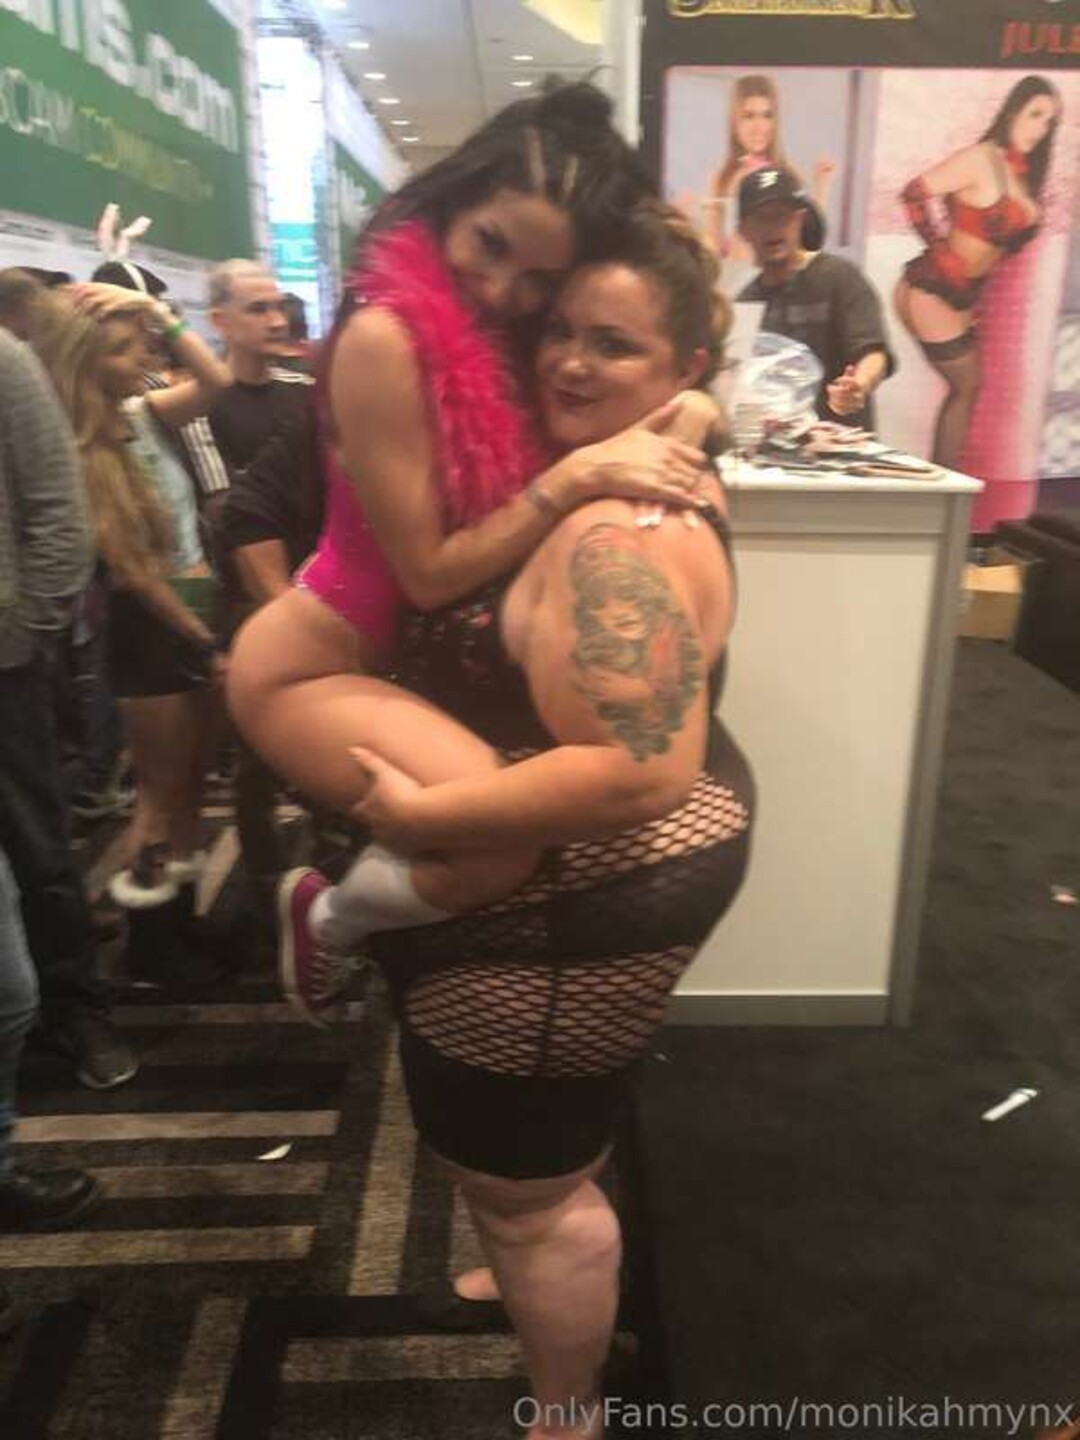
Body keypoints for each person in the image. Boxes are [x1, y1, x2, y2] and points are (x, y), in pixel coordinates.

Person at [303, 204, 755, 1440]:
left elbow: (635, 770)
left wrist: (427, 811)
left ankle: (565, 1407)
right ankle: (529, 1230)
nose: (569, 362)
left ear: (682, 368)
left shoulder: (615, 533)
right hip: (581, 870)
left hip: (579, 881)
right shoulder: (629, 458)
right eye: (561, 332)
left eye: (613, 345)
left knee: (527, 1188)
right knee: (546, 1137)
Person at [226, 82, 707, 1014]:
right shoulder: (385, 337)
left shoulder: (516, 337)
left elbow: (654, 380)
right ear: (455, 199)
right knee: (498, 847)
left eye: (538, 279)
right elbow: (427, 573)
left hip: (405, 662)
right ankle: (327, 918)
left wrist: (691, 410)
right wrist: (572, 481)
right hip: (308, 669)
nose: (501, 290)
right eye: (490, 246)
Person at [29, 284, 233, 986]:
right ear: (83, 363)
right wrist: (203, 640)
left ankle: (179, 914)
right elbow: (134, 572)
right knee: (158, 795)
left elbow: (216, 379)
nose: (143, 357)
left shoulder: (139, 415)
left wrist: (154, 311)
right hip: (154, 632)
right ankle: (150, 939)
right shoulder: (83, 450)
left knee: (194, 784)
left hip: (194, 611)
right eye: (123, 349)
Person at [0, 325, 137, 1089]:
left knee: (37, 847)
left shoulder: (6, 361)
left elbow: (60, 517)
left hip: (6, 667)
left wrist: (26, 636)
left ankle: (76, 1006)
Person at [894, 74, 1061, 470]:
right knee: (966, 387)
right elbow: (913, 193)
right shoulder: (980, 159)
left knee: (967, 389)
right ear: (1013, 111)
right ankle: (942, 489)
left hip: (961, 296)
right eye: (1035, 114)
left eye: (1049, 121)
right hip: (934, 289)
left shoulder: (1019, 173)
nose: (1040, 128)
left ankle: (943, 488)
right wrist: (940, 251)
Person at [737, 166, 895, 429]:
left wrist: (859, 384)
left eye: (781, 216)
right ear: (743, 230)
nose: (773, 227)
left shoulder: (839, 277)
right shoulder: (746, 302)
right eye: (761, 217)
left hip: (842, 445)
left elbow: (873, 352)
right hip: (773, 447)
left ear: (799, 220)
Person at [699, 74, 836, 264]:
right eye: (749, 116)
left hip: (779, 278)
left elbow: (806, 243)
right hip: (734, 277)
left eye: (767, 115)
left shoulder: (787, 176)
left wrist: (822, 186)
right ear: (734, 122)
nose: (759, 127)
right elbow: (711, 251)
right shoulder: (721, 179)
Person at [206, 260, 311, 487]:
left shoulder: (305, 391)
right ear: (221, 322)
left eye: (280, 308)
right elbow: (219, 500)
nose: (278, 323)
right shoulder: (200, 406)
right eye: (258, 310)